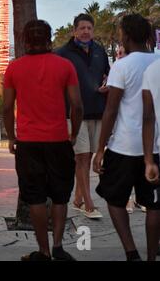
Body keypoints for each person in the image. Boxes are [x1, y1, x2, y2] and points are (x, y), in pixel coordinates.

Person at [4, 20, 83, 261]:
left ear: (25, 40)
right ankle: (58, 246)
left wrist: (11, 136)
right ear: (49, 40)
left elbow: (7, 107)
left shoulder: (14, 68)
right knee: (60, 195)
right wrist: (74, 134)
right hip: (59, 140)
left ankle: (44, 251)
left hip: (28, 143)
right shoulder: (65, 66)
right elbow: (77, 106)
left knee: (35, 196)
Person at [93, 14, 160, 261]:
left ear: (127, 37)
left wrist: (100, 149)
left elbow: (110, 110)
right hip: (155, 147)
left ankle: (131, 252)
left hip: (124, 145)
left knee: (114, 198)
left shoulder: (122, 66)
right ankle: (152, 256)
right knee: (155, 205)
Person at [56, 13, 110, 219]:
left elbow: (107, 73)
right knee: (81, 158)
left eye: (89, 28)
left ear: (93, 31)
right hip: (73, 114)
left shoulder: (100, 51)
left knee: (89, 156)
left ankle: (77, 200)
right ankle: (89, 204)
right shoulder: (62, 53)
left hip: (97, 109)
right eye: (82, 28)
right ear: (74, 31)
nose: (86, 31)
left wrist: (106, 86)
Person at [142, 57, 160, 260]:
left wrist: (148, 160)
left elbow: (148, 117)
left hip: (158, 149)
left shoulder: (153, 70)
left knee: (155, 207)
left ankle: (151, 257)